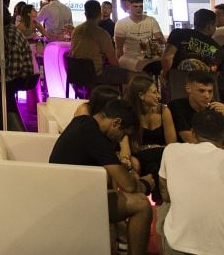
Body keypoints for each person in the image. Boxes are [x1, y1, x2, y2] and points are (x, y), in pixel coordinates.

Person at [49, 99, 153, 255]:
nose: (120, 139)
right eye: (123, 134)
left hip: (62, 192)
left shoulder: (83, 122)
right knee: (142, 204)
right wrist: (145, 184)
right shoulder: (94, 136)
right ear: (116, 123)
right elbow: (128, 185)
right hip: (69, 201)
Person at [158, 109, 224, 255]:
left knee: (165, 208)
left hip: (180, 247)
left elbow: (165, 196)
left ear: (192, 133)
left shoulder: (171, 151)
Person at [120, 73, 176, 201]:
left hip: (161, 157)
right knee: (152, 167)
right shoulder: (129, 115)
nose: (159, 96)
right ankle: (161, 203)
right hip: (140, 158)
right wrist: (126, 160)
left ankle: (157, 200)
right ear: (141, 96)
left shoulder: (164, 111)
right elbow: (126, 148)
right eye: (154, 92)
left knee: (155, 168)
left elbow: (172, 145)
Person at [167, 71, 224, 152]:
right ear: (188, 88)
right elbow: (190, 140)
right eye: (201, 91)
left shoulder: (216, 109)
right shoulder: (177, 106)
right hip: (187, 153)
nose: (207, 96)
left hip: (214, 154)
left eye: (210, 91)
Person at [69, 0, 130, 86]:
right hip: (95, 75)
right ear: (99, 13)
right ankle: (113, 97)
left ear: (85, 14)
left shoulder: (76, 30)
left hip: (76, 74)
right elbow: (113, 62)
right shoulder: (102, 34)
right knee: (127, 75)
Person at [161, 8, 223, 78]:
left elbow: (167, 58)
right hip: (202, 86)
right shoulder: (217, 48)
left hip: (177, 82)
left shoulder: (178, 33)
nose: (215, 29)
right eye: (215, 26)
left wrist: (165, 75)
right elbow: (217, 73)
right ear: (208, 26)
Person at [113, 0, 164, 74]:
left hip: (148, 56)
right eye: (135, 6)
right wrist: (118, 69)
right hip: (130, 56)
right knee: (139, 64)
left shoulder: (151, 20)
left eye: (141, 6)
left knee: (163, 63)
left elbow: (160, 39)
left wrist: (159, 44)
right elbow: (119, 48)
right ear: (128, 6)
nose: (139, 9)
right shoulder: (121, 23)